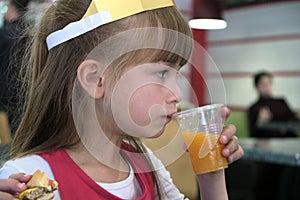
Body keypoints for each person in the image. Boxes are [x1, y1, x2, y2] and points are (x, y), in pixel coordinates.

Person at [0, 0, 244, 199]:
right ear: (96, 79)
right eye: (161, 73)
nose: (178, 95)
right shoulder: (32, 179)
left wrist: (211, 175)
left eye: (176, 75)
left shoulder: (148, 164)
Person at [0, 0, 30, 134]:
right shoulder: (29, 31)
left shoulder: (5, 33)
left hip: (4, 94)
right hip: (23, 92)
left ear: (11, 8)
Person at [248, 71, 299, 138]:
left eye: (269, 83)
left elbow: (294, 120)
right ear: (257, 87)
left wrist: (286, 127)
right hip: (269, 142)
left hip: (289, 138)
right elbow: (253, 134)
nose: (267, 86)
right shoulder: (254, 107)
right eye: (263, 84)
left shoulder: (281, 101)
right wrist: (260, 122)